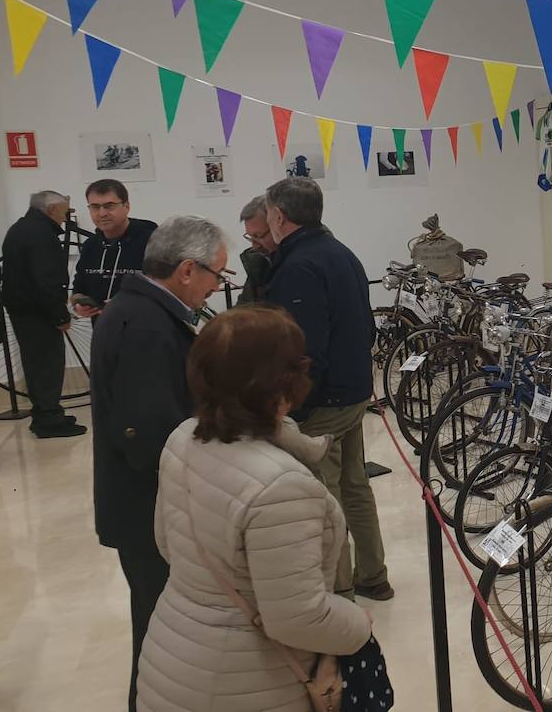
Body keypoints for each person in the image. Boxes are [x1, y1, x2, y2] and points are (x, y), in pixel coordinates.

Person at [135, 306, 372, 712]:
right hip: (248, 683)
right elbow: (298, 618)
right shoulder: (281, 488)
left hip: (171, 656)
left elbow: (167, 545)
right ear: (282, 383)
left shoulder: (182, 439)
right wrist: (358, 626)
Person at [91, 215, 229, 712]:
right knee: (159, 634)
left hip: (148, 505)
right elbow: (152, 437)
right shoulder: (146, 326)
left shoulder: (140, 311)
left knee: (160, 628)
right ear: (187, 270)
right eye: (217, 274)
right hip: (147, 508)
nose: (217, 287)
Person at [263, 177, 393, 601]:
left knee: (325, 494)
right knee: (355, 484)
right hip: (354, 389)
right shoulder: (341, 252)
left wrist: (292, 403)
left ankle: (339, 591)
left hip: (325, 400)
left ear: (279, 216)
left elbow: (305, 348)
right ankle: (373, 575)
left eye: (267, 216)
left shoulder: (299, 265)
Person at [0, 190, 84, 438]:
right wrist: (60, 316)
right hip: (38, 312)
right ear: (51, 210)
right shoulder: (40, 235)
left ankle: (45, 414)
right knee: (48, 365)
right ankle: (49, 421)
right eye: (65, 210)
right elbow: (46, 281)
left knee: (37, 364)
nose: (66, 216)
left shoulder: (22, 228)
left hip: (23, 310)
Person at [72, 179, 157, 318]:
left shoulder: (152, 242)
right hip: (103, 331)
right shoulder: (90, 246)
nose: (102, 213)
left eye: (109, 206)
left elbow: (169, 289)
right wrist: (78, 305)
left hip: (146, 330)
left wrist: (130, 304)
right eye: (95, 207)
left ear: (126, 206)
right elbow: (78, 289)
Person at [237, 195, 276, 304]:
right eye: (250, 237)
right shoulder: (260, 262)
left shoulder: (298, 263)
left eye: (259, 236)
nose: (254, 246)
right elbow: (245, 307)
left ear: (278, 225)